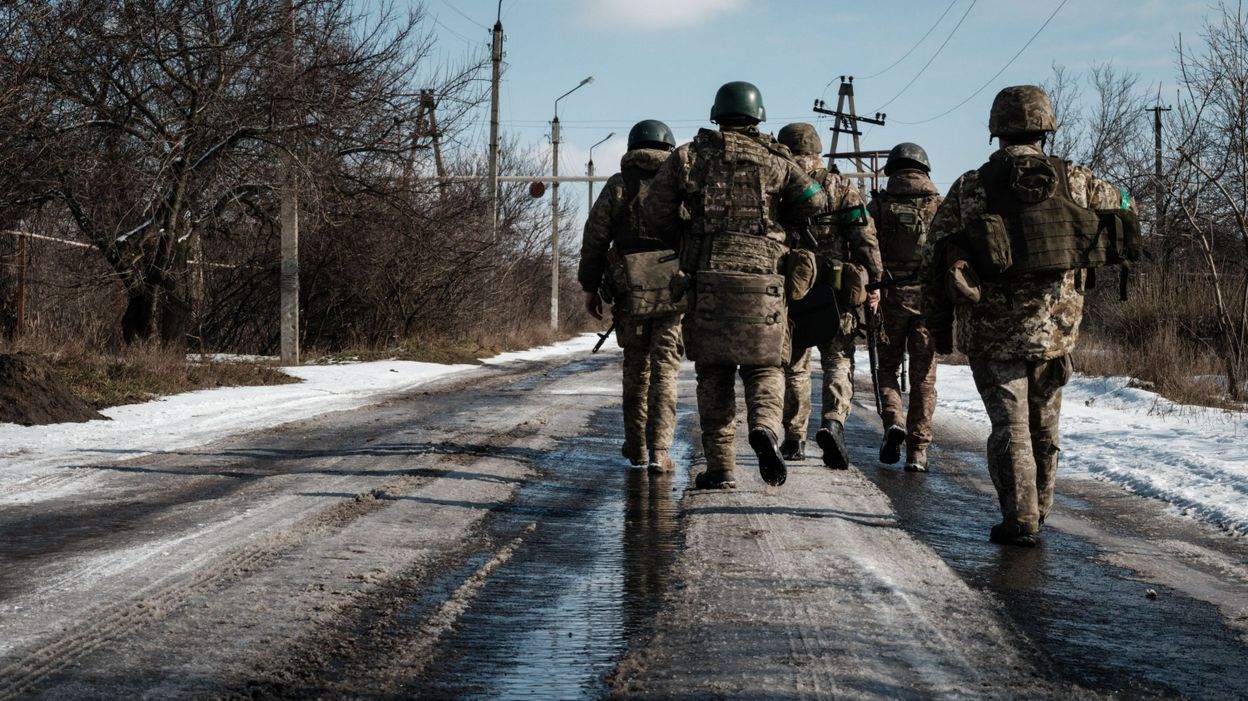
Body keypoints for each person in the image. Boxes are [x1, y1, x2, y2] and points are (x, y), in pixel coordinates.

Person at [920, 85, 1135, 545]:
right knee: (1045, 423)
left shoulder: (971, 187)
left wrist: (939, 329)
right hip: (1056, 332)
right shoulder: (1077, 180)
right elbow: (1125, 210)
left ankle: (1019, 518)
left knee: (1009, 426)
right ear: (1045, 127)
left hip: (992, 332)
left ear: (997, 129)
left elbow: (934, 259)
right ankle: (1040, 512)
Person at [644, 81, 826, 489]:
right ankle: (764, 428)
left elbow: (654, 208)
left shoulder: (688, 156)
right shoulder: (775, 159)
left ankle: (722, 468)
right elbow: (815, 199)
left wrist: (686, 242)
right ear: (757, 116)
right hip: (764, 279)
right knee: (766, 366)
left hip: (708, 277)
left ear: (717, 114)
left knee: (714, 372)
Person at [578, 119, 682, 473]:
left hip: (630, 293)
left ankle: (636, 446)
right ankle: (659, 450)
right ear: (668, 148)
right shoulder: (680, 184)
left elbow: (594, 239)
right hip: (673, 292)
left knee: (636, 370)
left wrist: (590, 287)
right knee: (666, 371)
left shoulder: (619, 186)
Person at [776, 123, 882, 468]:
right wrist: (875, 281)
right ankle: (833, 422)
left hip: (793, 289)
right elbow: (864, 237)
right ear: (818, 150)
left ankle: (794, 439)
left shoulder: (779, 184)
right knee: (838, 359)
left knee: (795, 365)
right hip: (837, 289)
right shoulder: (841, 186)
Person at [869, 142, 942, 472]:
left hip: (889, 299)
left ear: (892, 171)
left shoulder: (879, 206)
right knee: (924, 377)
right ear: (924, 169)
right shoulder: (938, 206)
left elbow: (865, 249)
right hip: (929, 300)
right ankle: (918, 451)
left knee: (887, 368)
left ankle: (894, 421)